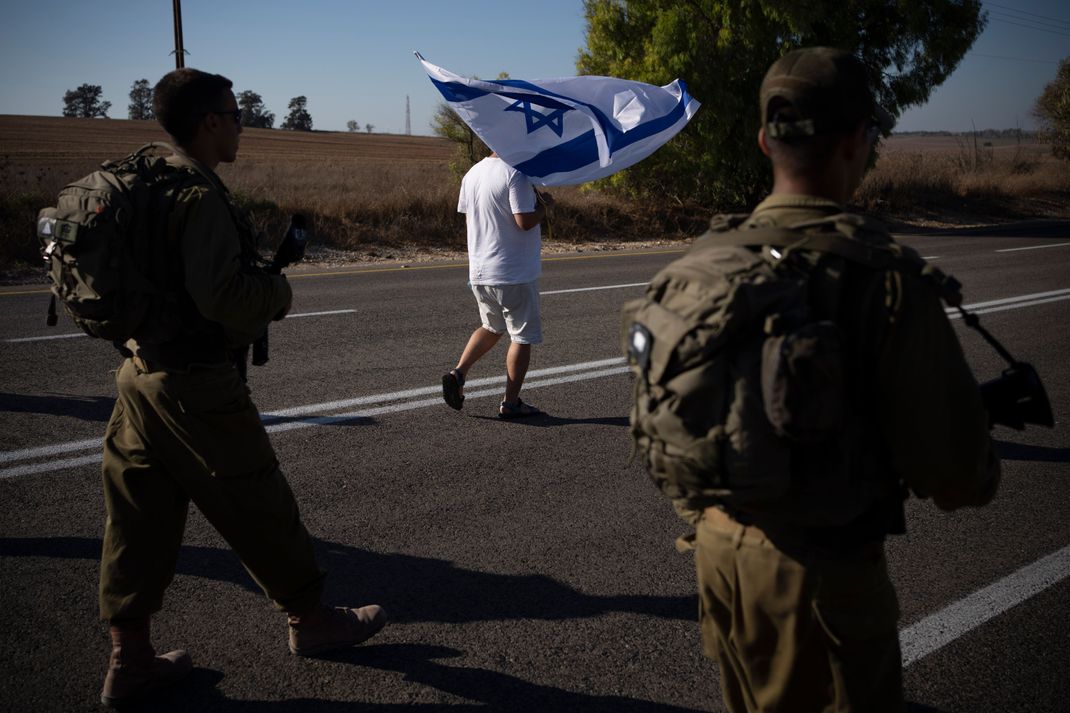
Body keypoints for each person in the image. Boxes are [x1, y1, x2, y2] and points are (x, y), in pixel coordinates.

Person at [686, 48, 1001, 712]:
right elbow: (953, 471)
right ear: (859, 140)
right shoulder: (882, 275)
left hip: (718, 557)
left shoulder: (708, 257)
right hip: (823, 575)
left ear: (764, 137)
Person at [96, 68, 386, 708]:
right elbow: (226, 300)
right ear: (209, 122)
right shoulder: (196, 195)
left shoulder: (146, 176)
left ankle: (130, 658)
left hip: (139, 374)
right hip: (196, 380)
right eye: (234, 114)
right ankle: (313, 622)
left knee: (137, 517)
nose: (240, 125)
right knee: (258, 502)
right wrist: (277, 291)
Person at [442, 152, 553, 418]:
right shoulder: (516, 173)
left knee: (491, 327)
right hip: (513, 272)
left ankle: (458, 373)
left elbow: (471, 221)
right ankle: (511, 402)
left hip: (481, 271)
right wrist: (544, 207)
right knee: (522, 337)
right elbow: (523, 221)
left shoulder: (473, 173)